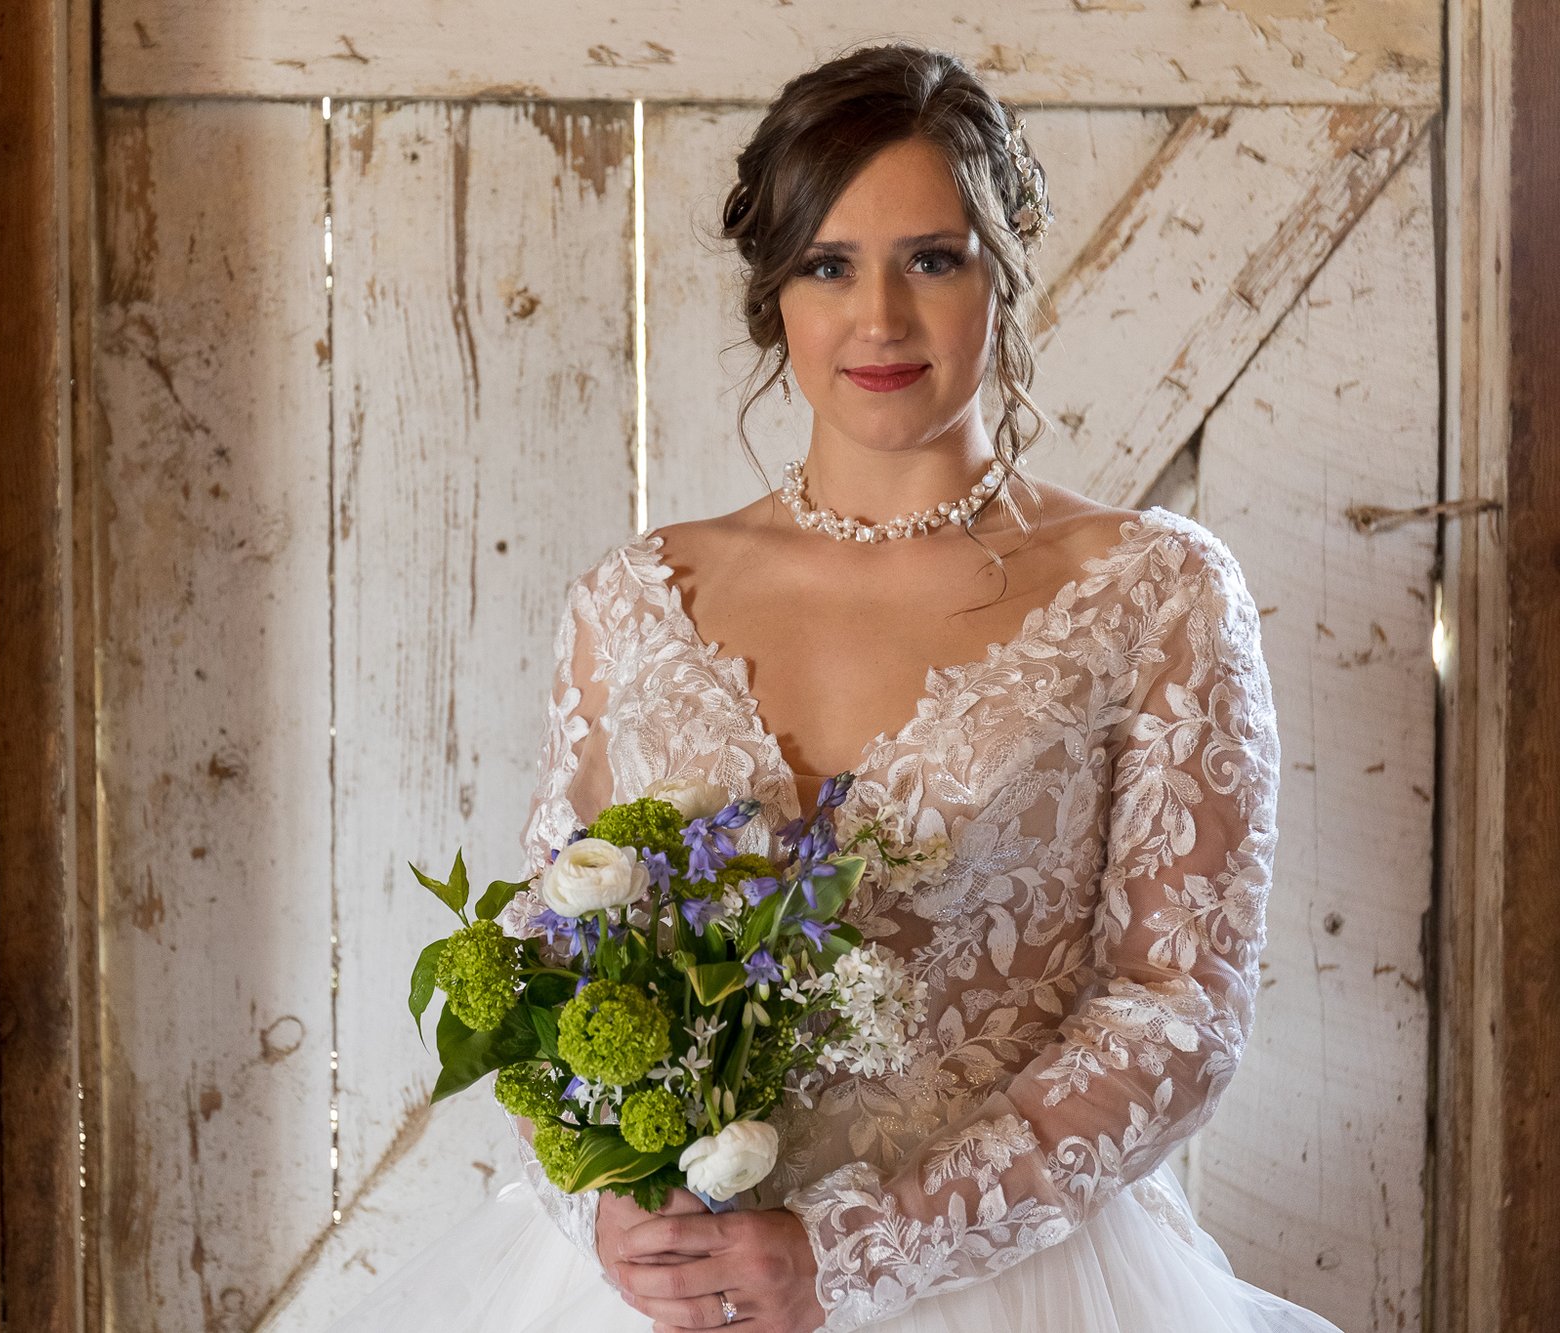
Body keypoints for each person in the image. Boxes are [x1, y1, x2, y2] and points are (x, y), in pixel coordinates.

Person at [327, 40, 1345, 1333]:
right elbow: (550, 967)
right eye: (828, 264)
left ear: (1004, 268)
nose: (879, 318)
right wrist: (601, 1201)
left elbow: (1178, 1009)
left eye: (932, 257)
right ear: (774, 294)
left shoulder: (1154, 594)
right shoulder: (638, 601)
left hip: (1012, 1286)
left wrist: (856, 1254)